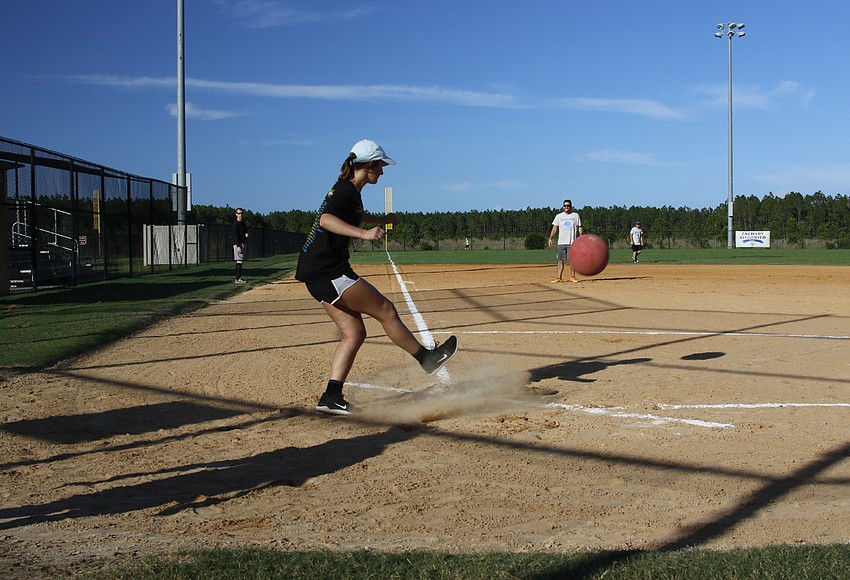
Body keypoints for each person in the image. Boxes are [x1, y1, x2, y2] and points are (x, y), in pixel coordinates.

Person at [295, 139, 458, 415]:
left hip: (317, 272)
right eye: (380, 167)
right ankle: (427, 359)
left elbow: (356, 215)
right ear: (368, 166)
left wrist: (382, 221)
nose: (382, 172)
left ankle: (331, 397)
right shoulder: (346, 191)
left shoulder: (348, 190)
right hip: (329, 271)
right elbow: (326, 220)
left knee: (354, 333)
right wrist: (365, 234)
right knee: (385, 309)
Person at [547, 199, 583, 283]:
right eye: (565, 205)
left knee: (572, 260)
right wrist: (550, 238)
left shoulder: (575, 216)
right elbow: (555, 228)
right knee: (560, 260)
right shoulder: (559, 216)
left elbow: (579, 226)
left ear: (571, 206)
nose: (566, 207)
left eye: (568, 205)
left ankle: (572, 276)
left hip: (572, 242)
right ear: (563, 206)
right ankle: (559, 277)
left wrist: (581, 237)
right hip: (561, 242)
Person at [232, 207, 249, 283]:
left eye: (241, 213)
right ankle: (237, 279)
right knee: (239, 261)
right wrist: (238, 246)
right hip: (238, 244)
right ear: (236, 214)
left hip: (243, 243)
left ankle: (239, 278)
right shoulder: (235, 224)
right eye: (239, 213)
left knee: (241, 261)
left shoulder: (243, 223)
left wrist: (246, 234)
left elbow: (245, 231)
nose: (240, 215)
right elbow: (235, 236)